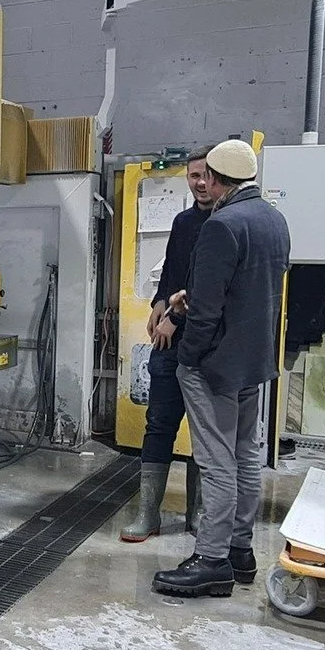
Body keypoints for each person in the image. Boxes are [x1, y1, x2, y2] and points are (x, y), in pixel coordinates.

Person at [151, 137, 291, 598]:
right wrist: (184, 299)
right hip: (253, 361)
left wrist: (187, 357)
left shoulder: (221, 225)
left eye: (203, 176)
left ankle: (211, 560)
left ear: (213, 178)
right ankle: (239, 552)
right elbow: (249, 291)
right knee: (246, 454)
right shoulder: (273, 219)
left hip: (214, 365)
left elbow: (208, 311)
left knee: (216, 463)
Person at [123, 146, 221, 542]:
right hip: (170, 346)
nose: (201, 183)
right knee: (159, 425)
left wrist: (174, 318)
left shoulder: (227, 224)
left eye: (207, 175)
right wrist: (159, 303)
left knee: (204, 431)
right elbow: (172, 273)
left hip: (208, 346)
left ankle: (199, 515)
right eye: (194, 175)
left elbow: (208, 290)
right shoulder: (183, 222)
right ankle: (148, 514)